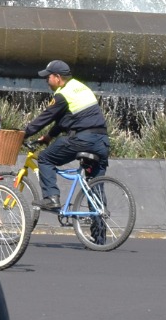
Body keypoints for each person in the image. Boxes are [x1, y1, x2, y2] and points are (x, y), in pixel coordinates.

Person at [21, 59, 110, 210]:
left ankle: (51, 198)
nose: (47, 81)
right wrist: (49, 136)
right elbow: (68, 119)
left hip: (83, 140)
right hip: (102, 142)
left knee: (44, 158)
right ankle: (100, 230)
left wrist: (23, 134)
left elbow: (46, 117)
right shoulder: (81, 88)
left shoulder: (63, 94)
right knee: (95, 189)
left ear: (57, 77)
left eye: (48, 77)